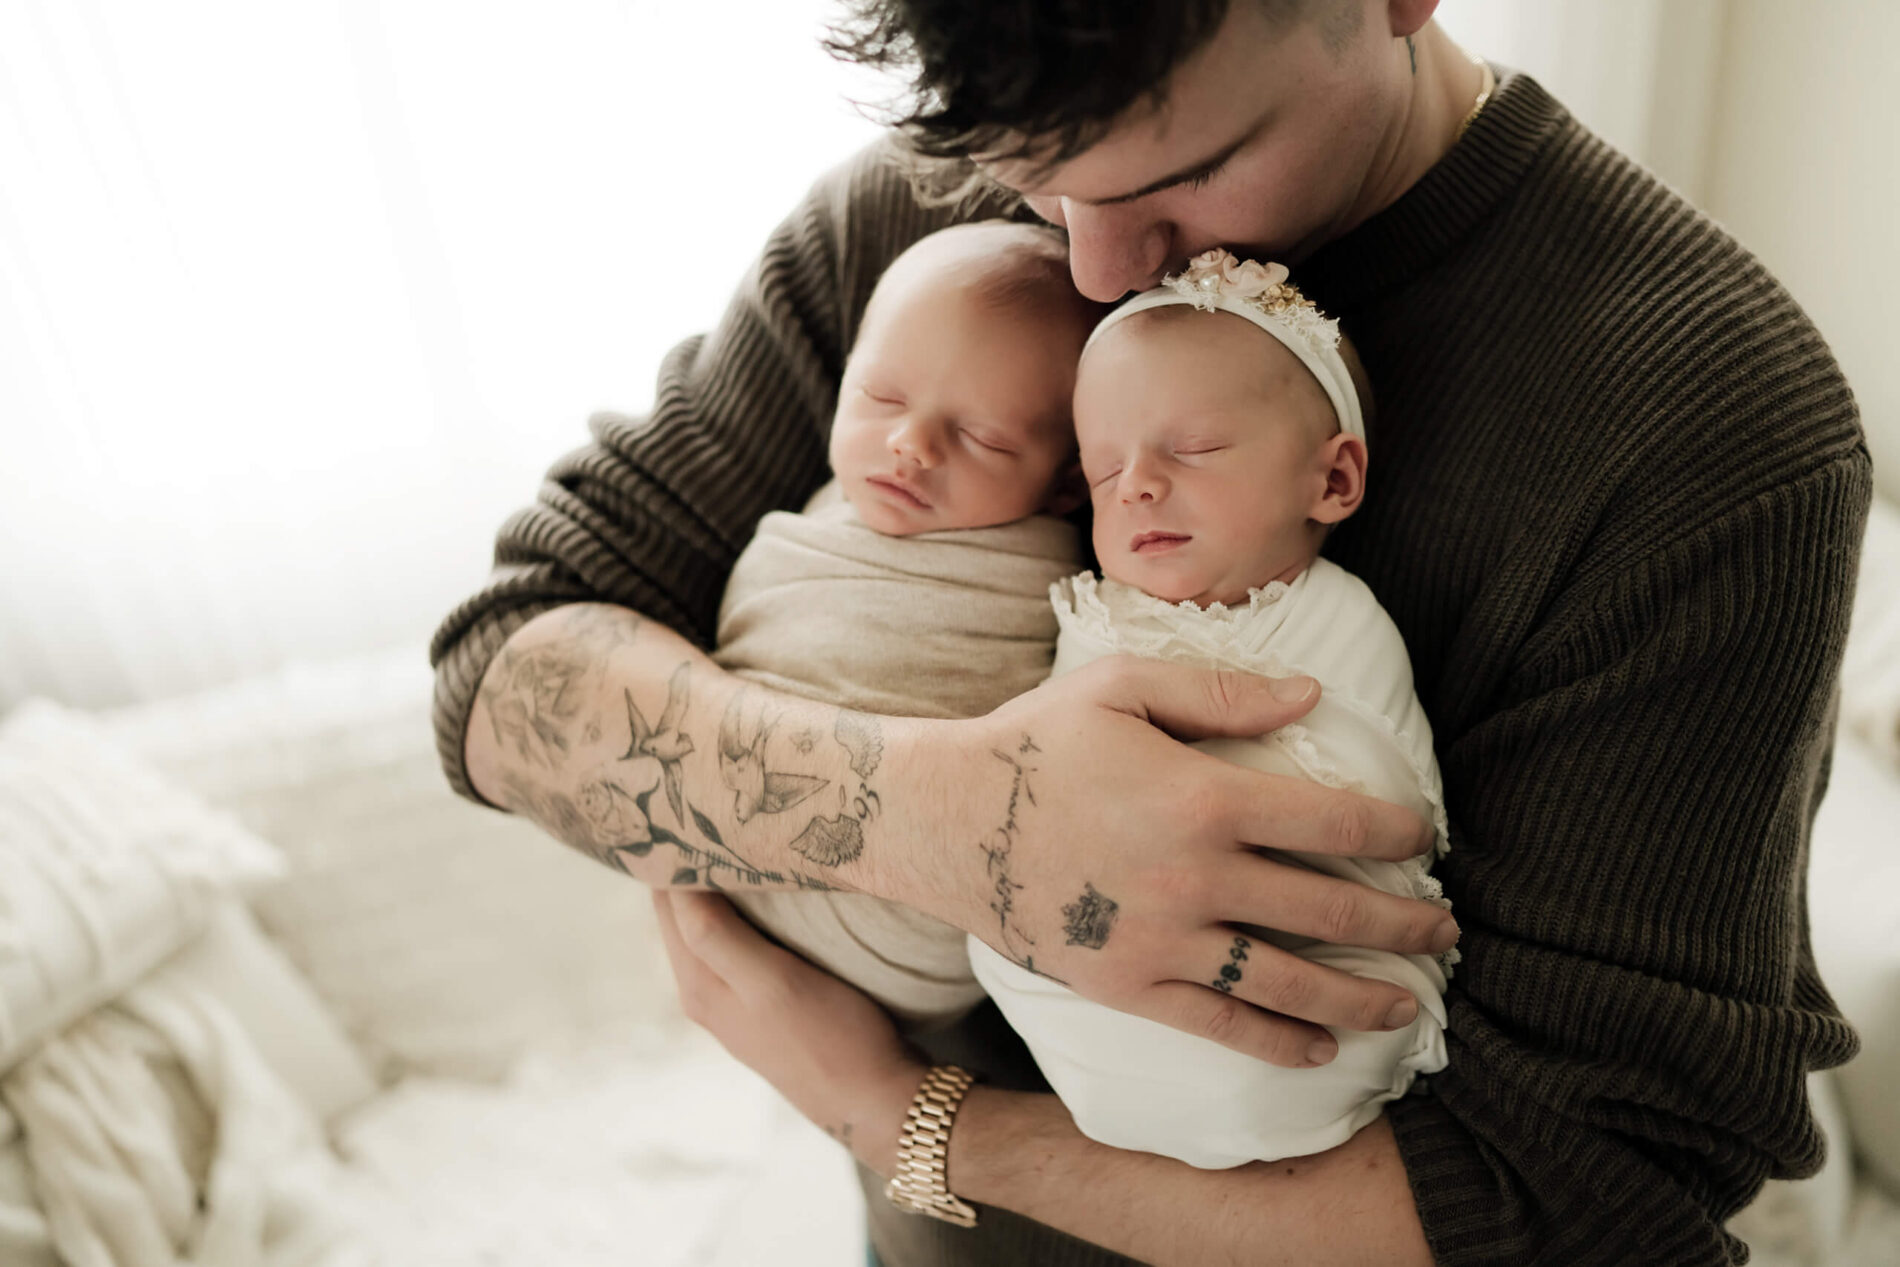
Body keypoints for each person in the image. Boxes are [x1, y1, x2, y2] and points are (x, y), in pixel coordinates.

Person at [432, 1, 1869, 1263]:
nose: (1099, 267)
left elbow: (1584, 1206)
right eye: (1032, 177)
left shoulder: (1709, 427)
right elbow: (502, 670)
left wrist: (906, 1120)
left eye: (1187, 173)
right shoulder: (922, 226)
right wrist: (948, 817)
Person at [967, 247, 1455, 1170]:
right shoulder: (1093, 617)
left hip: (1305, 969)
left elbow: (1379, 795)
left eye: (1191, 448)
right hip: (1097, 982)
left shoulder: (1339, 621)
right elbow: (1037, 785)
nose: (1139, 483)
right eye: (1104, 470)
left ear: (1334, 480)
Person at [713, 219, 1098, 1026]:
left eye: (983, 437)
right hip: (727, 859)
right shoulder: (831, 510)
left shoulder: (1052, 576)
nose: (910, 443)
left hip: (915, 929)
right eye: (880, 397)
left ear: (1065, 486)